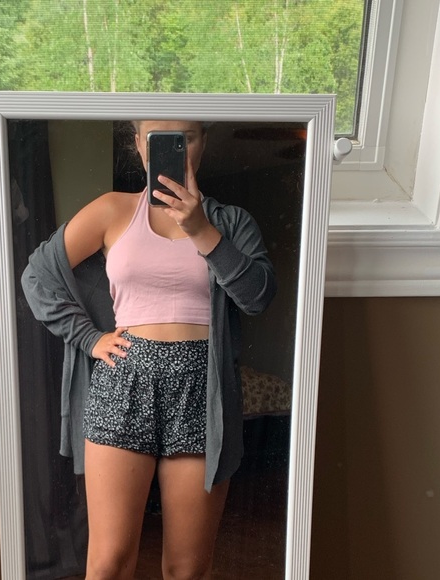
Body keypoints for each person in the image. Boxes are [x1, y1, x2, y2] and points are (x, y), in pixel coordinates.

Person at [22, 119, 276, 579]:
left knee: (187, 569)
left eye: (186, 138)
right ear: (138, 143)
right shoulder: (112, 210)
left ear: (203, 143)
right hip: (124, 379)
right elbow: (37, 275)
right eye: (157, 138)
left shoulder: (230, 222)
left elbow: (257, 296)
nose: (174, 149)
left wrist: (200, 229)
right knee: (108, 563)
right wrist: (89, 338)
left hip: (201, 389)